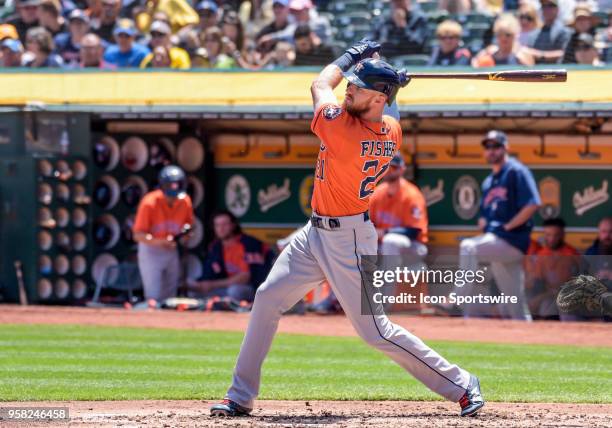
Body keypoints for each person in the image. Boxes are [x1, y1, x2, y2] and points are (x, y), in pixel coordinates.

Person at [209, 40, 484, 419]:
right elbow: (392, 112)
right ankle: (240, 395)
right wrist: (391, 86)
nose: (348, 88)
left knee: (376, 332)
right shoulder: (389, 129)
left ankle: (463, 384)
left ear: (375, 99)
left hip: (349, 241)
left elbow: (319, 84)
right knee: (268, 297)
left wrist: (352, 57)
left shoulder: (343, 130)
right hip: (315, 233)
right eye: (351, 83)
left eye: (356, 86)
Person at [458, 130, 541, 321]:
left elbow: (533, 203)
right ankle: (527, 337)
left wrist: (510, 225)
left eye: (496, 146)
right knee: (516, 307)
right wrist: (484, 221)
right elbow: (485, 216)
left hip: (511, 240)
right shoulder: (489, 181)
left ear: (506, 148)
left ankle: (458, 300)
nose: (491, 150)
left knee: (468, 247)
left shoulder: (516, 171)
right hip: (498, 244)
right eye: (488, 147)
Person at [132, 165, 193, 302]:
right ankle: (152, 321)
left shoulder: (185, 201)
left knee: (170, 295)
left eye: (177, 185)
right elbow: (137, 235)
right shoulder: (149, 202)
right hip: (151, 250)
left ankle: (168, 322)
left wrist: (185, 236)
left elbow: (188, 228)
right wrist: (160, 242)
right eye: (170, 185)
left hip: (171, 249)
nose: (174, 188)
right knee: (154, 294)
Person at [187, 210, 272, 302]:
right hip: (224, 289)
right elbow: (209, 274)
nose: (221, 228)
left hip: (252, 289)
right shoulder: (215, 247)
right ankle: (222, 304)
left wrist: (212, 284)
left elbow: (245, 278)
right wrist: (200, 285)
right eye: (217, 225)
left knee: (234, 291)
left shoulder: (248, 244)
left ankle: (227, 306)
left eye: (224, 225)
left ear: (233, 225)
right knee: (194, 290)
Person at [524, 218, 580, 319]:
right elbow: (537, 284)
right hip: (548, 297)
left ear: (563, 234)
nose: (552, 239)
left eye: (556, 235)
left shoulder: (572, 255)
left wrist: (541, 298)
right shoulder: (541, 255)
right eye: (548, 235)